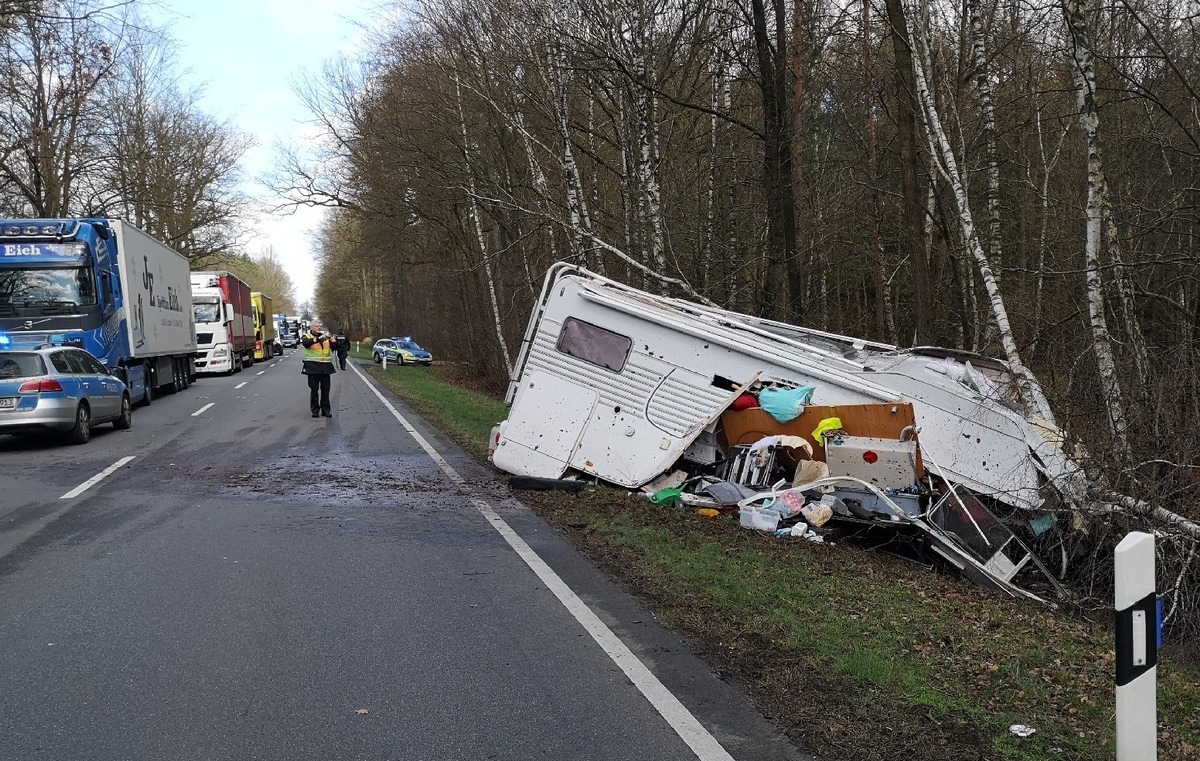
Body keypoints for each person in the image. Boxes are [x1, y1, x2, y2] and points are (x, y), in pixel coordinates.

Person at [301, 321, 336, 418]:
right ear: (312, 328)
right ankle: (315, 410)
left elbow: (334, 348)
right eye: (316, 326)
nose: (319, 328)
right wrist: (318, 339)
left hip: (325, 367)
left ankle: (326, 410)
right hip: (312, 367)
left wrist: (333, 341)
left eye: (320, 326)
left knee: (325, 390)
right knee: (314, 389)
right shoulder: (307, 336)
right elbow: (306, 344)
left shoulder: (325, 337)